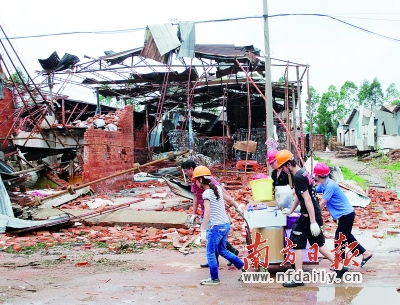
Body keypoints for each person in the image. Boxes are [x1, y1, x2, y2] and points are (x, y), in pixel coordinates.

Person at [275, 150, 348, 287]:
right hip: (313, 214)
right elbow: (299, 195)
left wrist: (313, 221)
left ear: (288, 164)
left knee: (296, 244)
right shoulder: (303, 172)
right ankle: (340, 266)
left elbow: (307, 199)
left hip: (308, 217)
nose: (283, 170)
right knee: (319, 244)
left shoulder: (298, 176)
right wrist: (290, 210)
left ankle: (298, 278)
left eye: (282, 167)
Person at [191, 165, 244, 285]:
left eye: (196, 181)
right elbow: (229, 200)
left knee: (210, 252)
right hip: (225, 225)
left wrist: (203, 229)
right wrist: (238, 207)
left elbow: (207, 212)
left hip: (216, 227)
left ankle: (214, 279)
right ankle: (243, 268)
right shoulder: (217, 189)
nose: (195, 183)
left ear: (200, 180)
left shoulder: (206, 194)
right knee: (222, 250)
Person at [181, 160, 240, 268]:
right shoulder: (197, 181)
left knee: (213, 239)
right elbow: (195, 196)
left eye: (185, 171)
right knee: (215, 240)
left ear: (191, 169)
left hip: (213, 214)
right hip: (208, 212)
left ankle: (216, 269)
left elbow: (221, 192)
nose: (185, 174)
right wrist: (194, 213)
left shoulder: (208, 185)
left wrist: (203, 228)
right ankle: (232, 258)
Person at [313, 163, 373, 267]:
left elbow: (323, 202)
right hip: (346, 214)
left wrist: (314, 215)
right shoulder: (324, 184)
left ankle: (340, 264)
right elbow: (314, 189)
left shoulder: (330, 185)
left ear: (317, 176)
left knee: (339, 239)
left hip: (346, 215)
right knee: (347, 237)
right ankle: (365, 254)